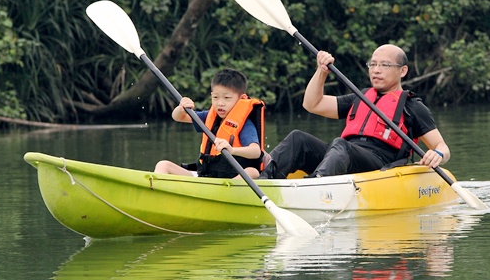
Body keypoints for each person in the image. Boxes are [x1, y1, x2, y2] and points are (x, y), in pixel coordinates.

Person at [258, 44, 450, 179]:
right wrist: (321, 71)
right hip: (343, 156)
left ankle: (317, 185)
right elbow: (312, 104)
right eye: (373, 64)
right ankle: (264, 179)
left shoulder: (413, 106)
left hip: (377, 163)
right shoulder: (360, 98)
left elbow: (442, 147)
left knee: (341, 145)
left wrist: (438, 155)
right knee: (297, 138)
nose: (376, 70)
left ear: (403, 71)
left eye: (384, 65)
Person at [154, 68, 265, 179]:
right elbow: (178, 117)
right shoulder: (208, 117)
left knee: (252, 172)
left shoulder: (245, 124)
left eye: (227, 98)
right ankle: (156, 191)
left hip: (231, 179)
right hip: (205, 176)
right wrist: (182, 108)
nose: (220, 103)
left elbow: (255, 151)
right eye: (215, 97)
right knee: (163, 165)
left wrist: (232, 150)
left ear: (241, 98)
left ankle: (227, 193)